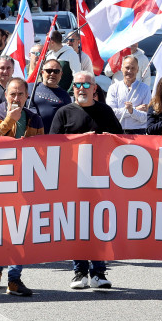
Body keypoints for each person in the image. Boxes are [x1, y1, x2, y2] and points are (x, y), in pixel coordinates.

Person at [50, 71, 122, 289]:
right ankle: (79, 272)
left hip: (100, 179)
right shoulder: (64, 112)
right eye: (77, 84)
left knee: (98, 225)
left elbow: (120, 139)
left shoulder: (105, 111)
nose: (81, 88)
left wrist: (99, 139)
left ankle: (99, 273)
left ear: (94, 89)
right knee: (77, 226)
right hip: (73, 179)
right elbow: (53, 145)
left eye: (85, 84)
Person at [0, 77, 42, 296]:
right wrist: (7, 122)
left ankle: (14, 279)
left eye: (21, 94)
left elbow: (43, 150)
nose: (16, 98)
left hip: (23, 183)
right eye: (12, 94)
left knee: (20, 230)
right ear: (6, 95)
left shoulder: (34, 118)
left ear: (26, 96)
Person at [105, 55, 150, 134]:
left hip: (138, 132)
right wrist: (134, 109)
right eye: (127, 68)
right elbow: (111, 114)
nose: (129, 71)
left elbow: (145, 117)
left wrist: (132, 110)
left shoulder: (145, 89)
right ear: (122, 69)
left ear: (137, 70)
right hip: (118, 132)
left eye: (133, 68)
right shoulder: (113, 88)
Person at [27, 59, 72, 133]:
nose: (52, 74)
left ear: (61, 74)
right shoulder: (30, 88)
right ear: (42, 72)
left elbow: (68, 120)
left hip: (51, 139)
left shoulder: (65, 96)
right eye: (49, 71)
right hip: (29, 136)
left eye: (56, 71)